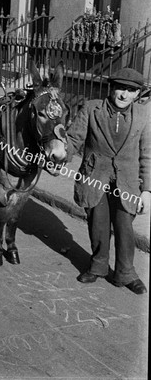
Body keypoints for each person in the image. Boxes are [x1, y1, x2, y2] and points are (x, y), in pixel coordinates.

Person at [67, 67, 150, 294]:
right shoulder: (92, 109)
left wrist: (147, 191)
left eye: (130, 90)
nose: (124, 95)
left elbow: (147, 155)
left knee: (125, 227)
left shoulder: (143, 116)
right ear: (111, 88)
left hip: (128, 183)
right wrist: (59, 155)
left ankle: (126, 273)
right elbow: (74, 139)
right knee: (98, 223)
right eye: (120, 88)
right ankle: (98, 266)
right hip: (94, 177)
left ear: (137, 94)